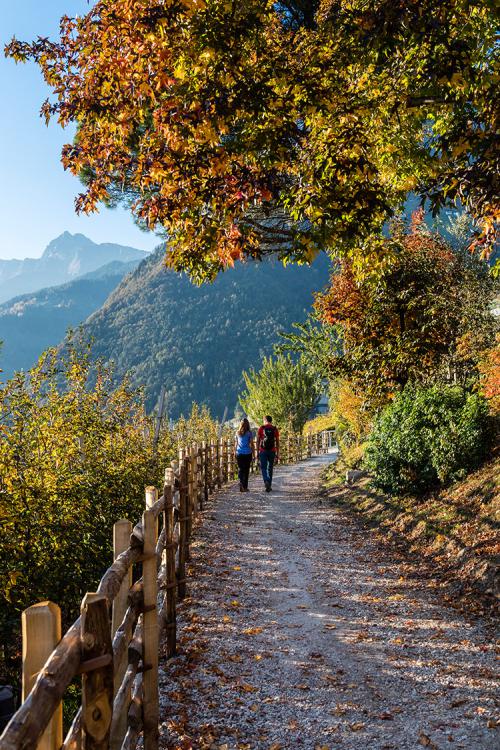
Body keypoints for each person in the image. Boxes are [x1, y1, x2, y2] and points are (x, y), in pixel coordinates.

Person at [257, 415, 279, 492]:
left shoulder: (261, 428)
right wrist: (277, 453)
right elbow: (277, 441)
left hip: (263, 450)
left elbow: (258, 441)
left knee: (263, 467)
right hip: (272, 450)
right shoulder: (274, 429)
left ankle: (266, 480)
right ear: (271, 420)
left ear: (265, 420)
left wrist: (257, 451)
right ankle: (269, 484)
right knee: (270, 468)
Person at [234, 418, 255, 492]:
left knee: (240, 468)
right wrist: (254, 454)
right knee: (246, 470)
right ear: (248, 424)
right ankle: (245, 487)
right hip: (247, 453)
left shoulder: (237, 433)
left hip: (239, 453)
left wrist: (234, 452)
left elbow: (236, 444)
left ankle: (240, 481)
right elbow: (252, 444)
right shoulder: (249, 433)